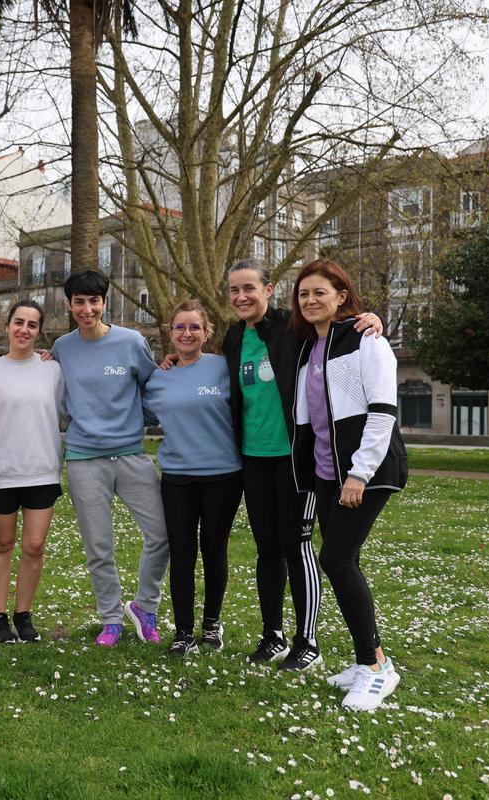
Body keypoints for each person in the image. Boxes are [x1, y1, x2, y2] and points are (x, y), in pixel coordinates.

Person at [222, 258, 381, 670]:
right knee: (265, 549)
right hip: (252, 459)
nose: (242, 297)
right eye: (234, 290)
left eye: (249, 288)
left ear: (269, 289)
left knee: (298, 546)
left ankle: (306, 641)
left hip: (295, 460)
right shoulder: (234, 338)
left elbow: (336, 327)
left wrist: (370, 318)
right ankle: (272, 635)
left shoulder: (293, 330)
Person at [289, 258, 407, 711]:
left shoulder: (366, 341)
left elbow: (381, 412)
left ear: (342, 296)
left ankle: (375, 668)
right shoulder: (306, 348)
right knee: (343, 559)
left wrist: (359, 473)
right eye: (303, 294)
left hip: (363, 473)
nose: (311, 300)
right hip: (324, 474)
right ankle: (370, 661)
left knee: (336, 558)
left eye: (321, 292)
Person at [50, 268, 169, 647]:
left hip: (132, 455)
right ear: (70, 304)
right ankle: (111, 618)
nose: (87, 309)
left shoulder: (132, 342)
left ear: (105, 302)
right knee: (99, 546)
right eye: (79, 302)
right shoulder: (61, 348)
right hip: (85, 459)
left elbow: (154, 389)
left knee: (162, 536)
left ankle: (145, 608)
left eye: (94, 301)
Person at [143, 300, 241, 656]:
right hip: (177, 478)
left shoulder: (224, 368)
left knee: (214, 551)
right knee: (182, 555)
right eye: (180, 327)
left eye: (194, 327)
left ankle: (212, 626)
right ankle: (183, 631)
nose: (187, 333)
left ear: (206, 333)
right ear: (170, 333)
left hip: (224, 476)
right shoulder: (158, 378)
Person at [0, 300, 66, 643]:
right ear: (7, 326)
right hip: (0, 471)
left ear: (40, 332)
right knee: (3, 542)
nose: (24, 329)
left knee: (35, 546)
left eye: (32, 324)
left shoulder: (53, 371)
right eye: (18, 322)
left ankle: (23, 615)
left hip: (41, 470)